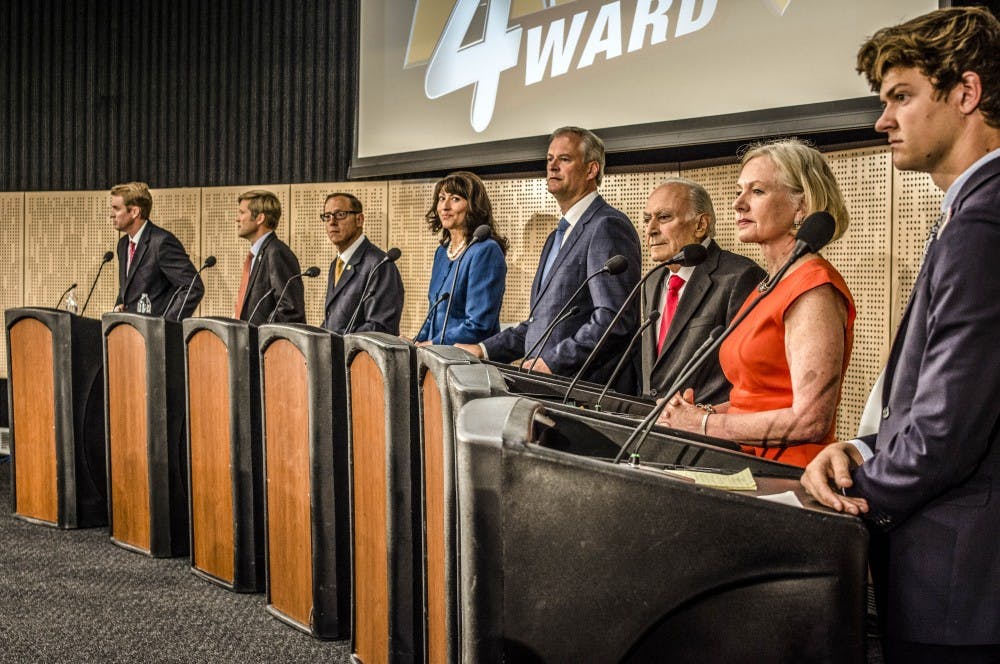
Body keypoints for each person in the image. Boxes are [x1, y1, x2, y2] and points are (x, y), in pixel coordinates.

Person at [801, 8, 1000, 662]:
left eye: (902, 97)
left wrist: (848, 497)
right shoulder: (967, 216)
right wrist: (860, 450)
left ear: (966, 93)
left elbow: (948, 430)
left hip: (960, 590)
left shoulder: (983, 225)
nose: (883, 120)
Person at [658, 139, 855, 467]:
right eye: (740, 190)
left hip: (783, 476)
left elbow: (810, 419)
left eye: (757, 191)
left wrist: (704, 425)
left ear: (801, 206)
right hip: (740, 464)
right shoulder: (768, 284)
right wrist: (699, 412)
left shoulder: (813, 288)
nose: (738, 204)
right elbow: (753, 400)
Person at [456, 126, 641, 390]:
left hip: (584, 390)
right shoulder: (556, 236)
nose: (552, 167)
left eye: (564, 159)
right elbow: (539, 324)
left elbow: (614, 318)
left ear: (592, 170)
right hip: (548, 388)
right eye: (549, 159)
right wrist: (483, 350)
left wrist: (552, 363)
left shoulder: (607, 226)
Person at [640, 177, 765, 402]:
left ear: (700, 225)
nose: (650, 230)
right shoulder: (652, 281)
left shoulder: (740, 277)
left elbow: (751, 378)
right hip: (650, 425)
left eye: (664, 217)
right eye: (647, 219)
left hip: (705, 429)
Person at [413, 171, 507, 345]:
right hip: (435, 359)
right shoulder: (441, 253)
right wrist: (416, 342)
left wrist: (434, 344)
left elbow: (479, 325)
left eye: (455, 199)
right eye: (441, 198)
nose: (445, 207)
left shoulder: (486, 251)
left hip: (467, 362)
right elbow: (433, 315)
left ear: (473, 205)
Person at [110, 181, 203, 319]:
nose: (111, 214)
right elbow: (127, 287)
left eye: (116, 208)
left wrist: (166, 325)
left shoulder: (161, 242)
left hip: (155, 334)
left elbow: (192, 287)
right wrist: (119, 304)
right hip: (128, 331)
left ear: (135, 212)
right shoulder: (123, 244)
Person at [321, 192, 404, 334]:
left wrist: (335, 339)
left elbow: (380, 327)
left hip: (362, 355)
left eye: (340, 214)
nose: (332, 222)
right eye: (327, 216)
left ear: (359, 220)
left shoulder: (379, 264)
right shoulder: (336, 263)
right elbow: (334, 321)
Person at [233, 190, 305, 324]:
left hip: (266, 343)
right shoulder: (259, 253)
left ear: (260, 218)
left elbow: (290, 309)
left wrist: (261, 335)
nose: (237, 218)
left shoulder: (276, 252)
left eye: (242, 213)